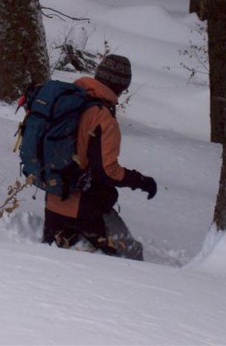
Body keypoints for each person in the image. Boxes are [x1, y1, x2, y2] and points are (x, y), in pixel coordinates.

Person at [42, 54, 158, 259]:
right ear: (122, 86)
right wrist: (141, 181)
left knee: (60, 255)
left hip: (53, 203)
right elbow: (107, 172)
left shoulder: (70, 101)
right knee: (133, 257)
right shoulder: (102, 116)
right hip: (84, 210)